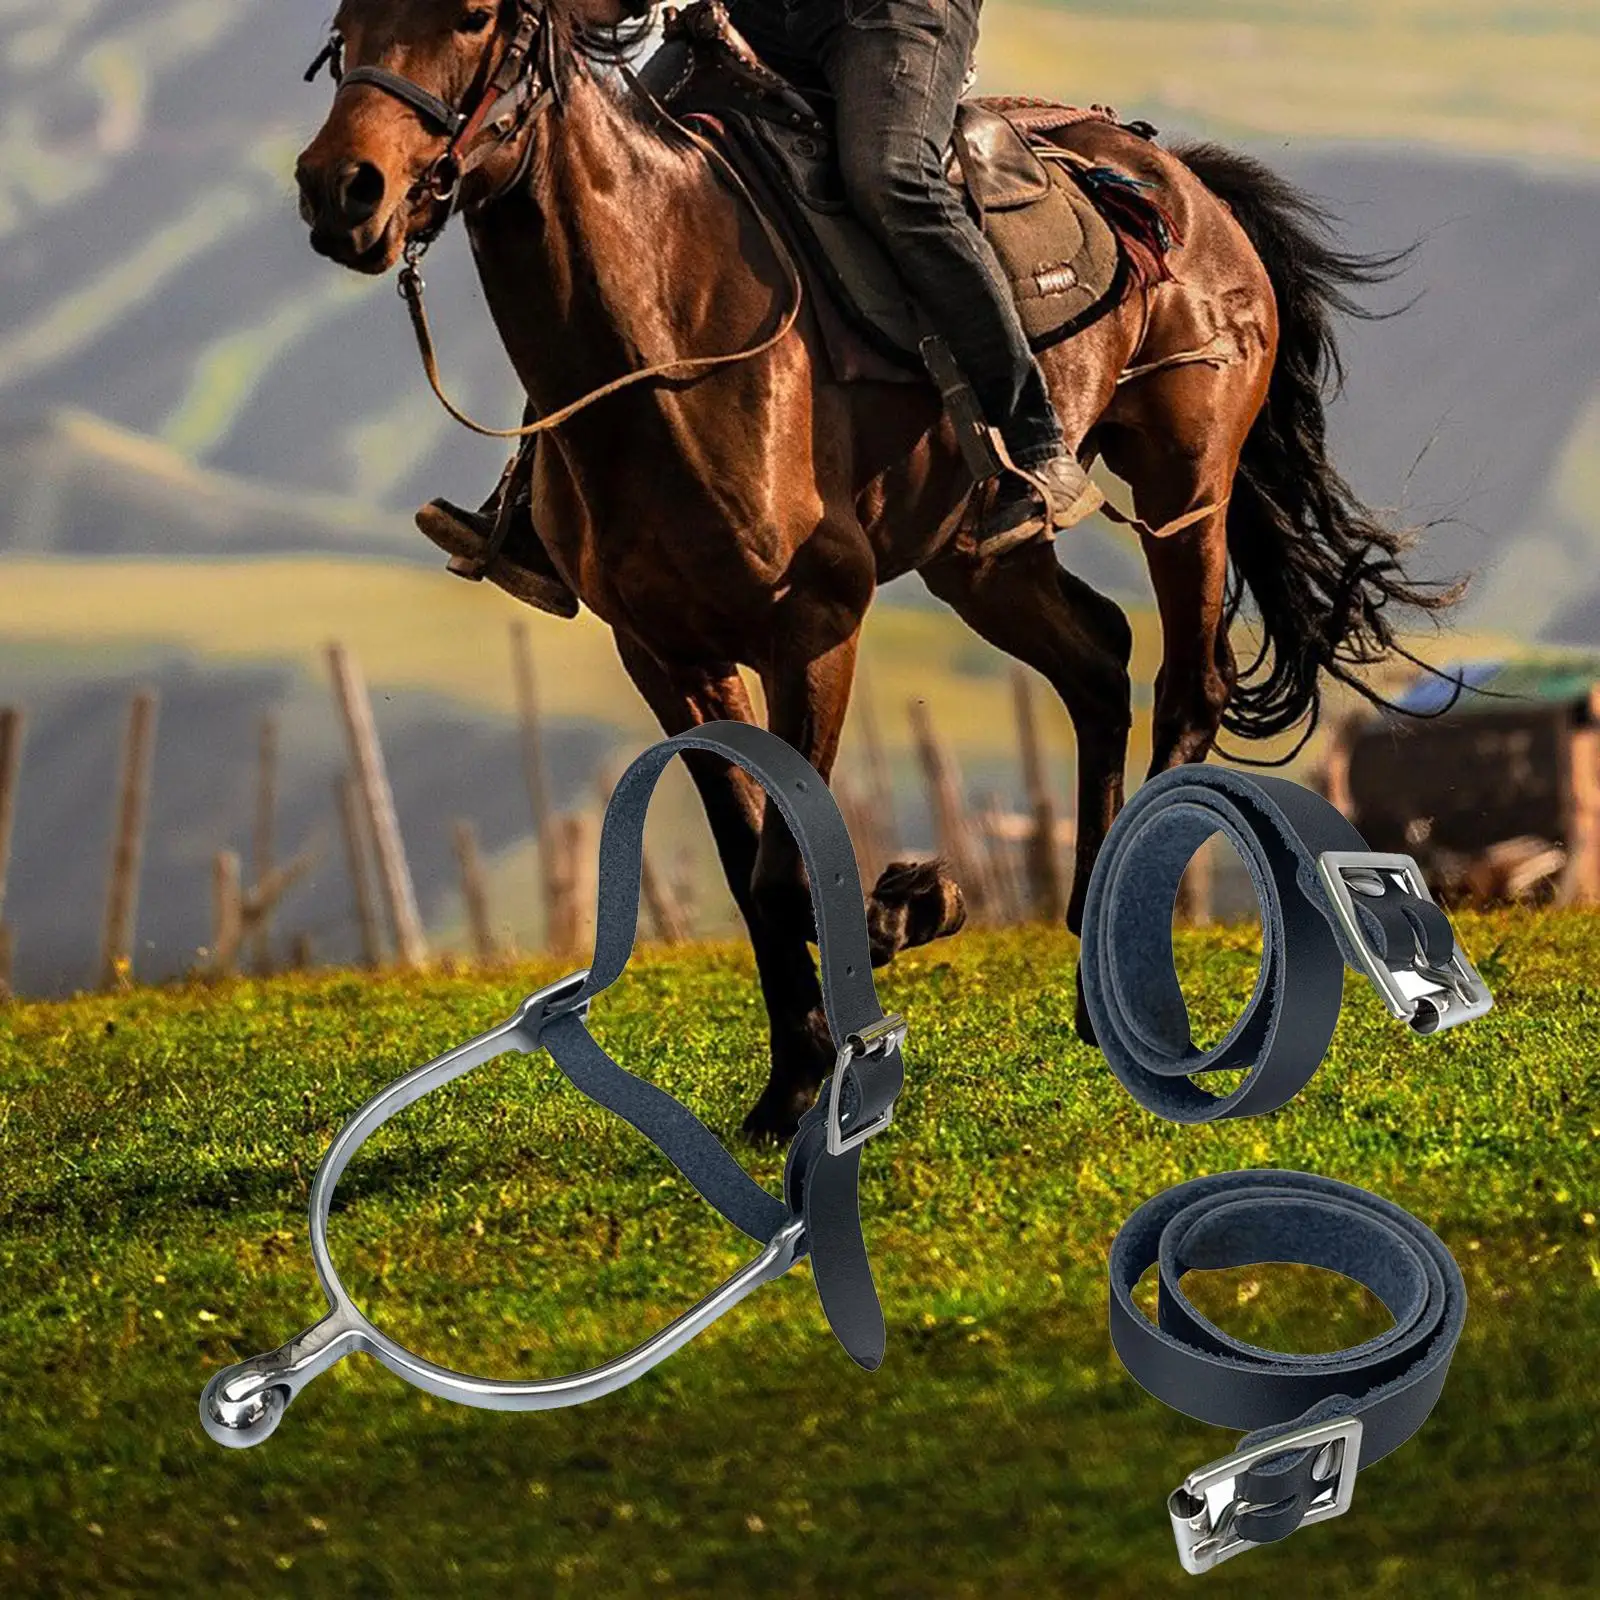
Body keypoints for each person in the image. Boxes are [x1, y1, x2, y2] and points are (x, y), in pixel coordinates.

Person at [419, 0, 1096, 610]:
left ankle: (1036, 445)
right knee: (606, 186)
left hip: (892, 13)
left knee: (892, 179)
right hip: (764, 13)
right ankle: (532, 496)